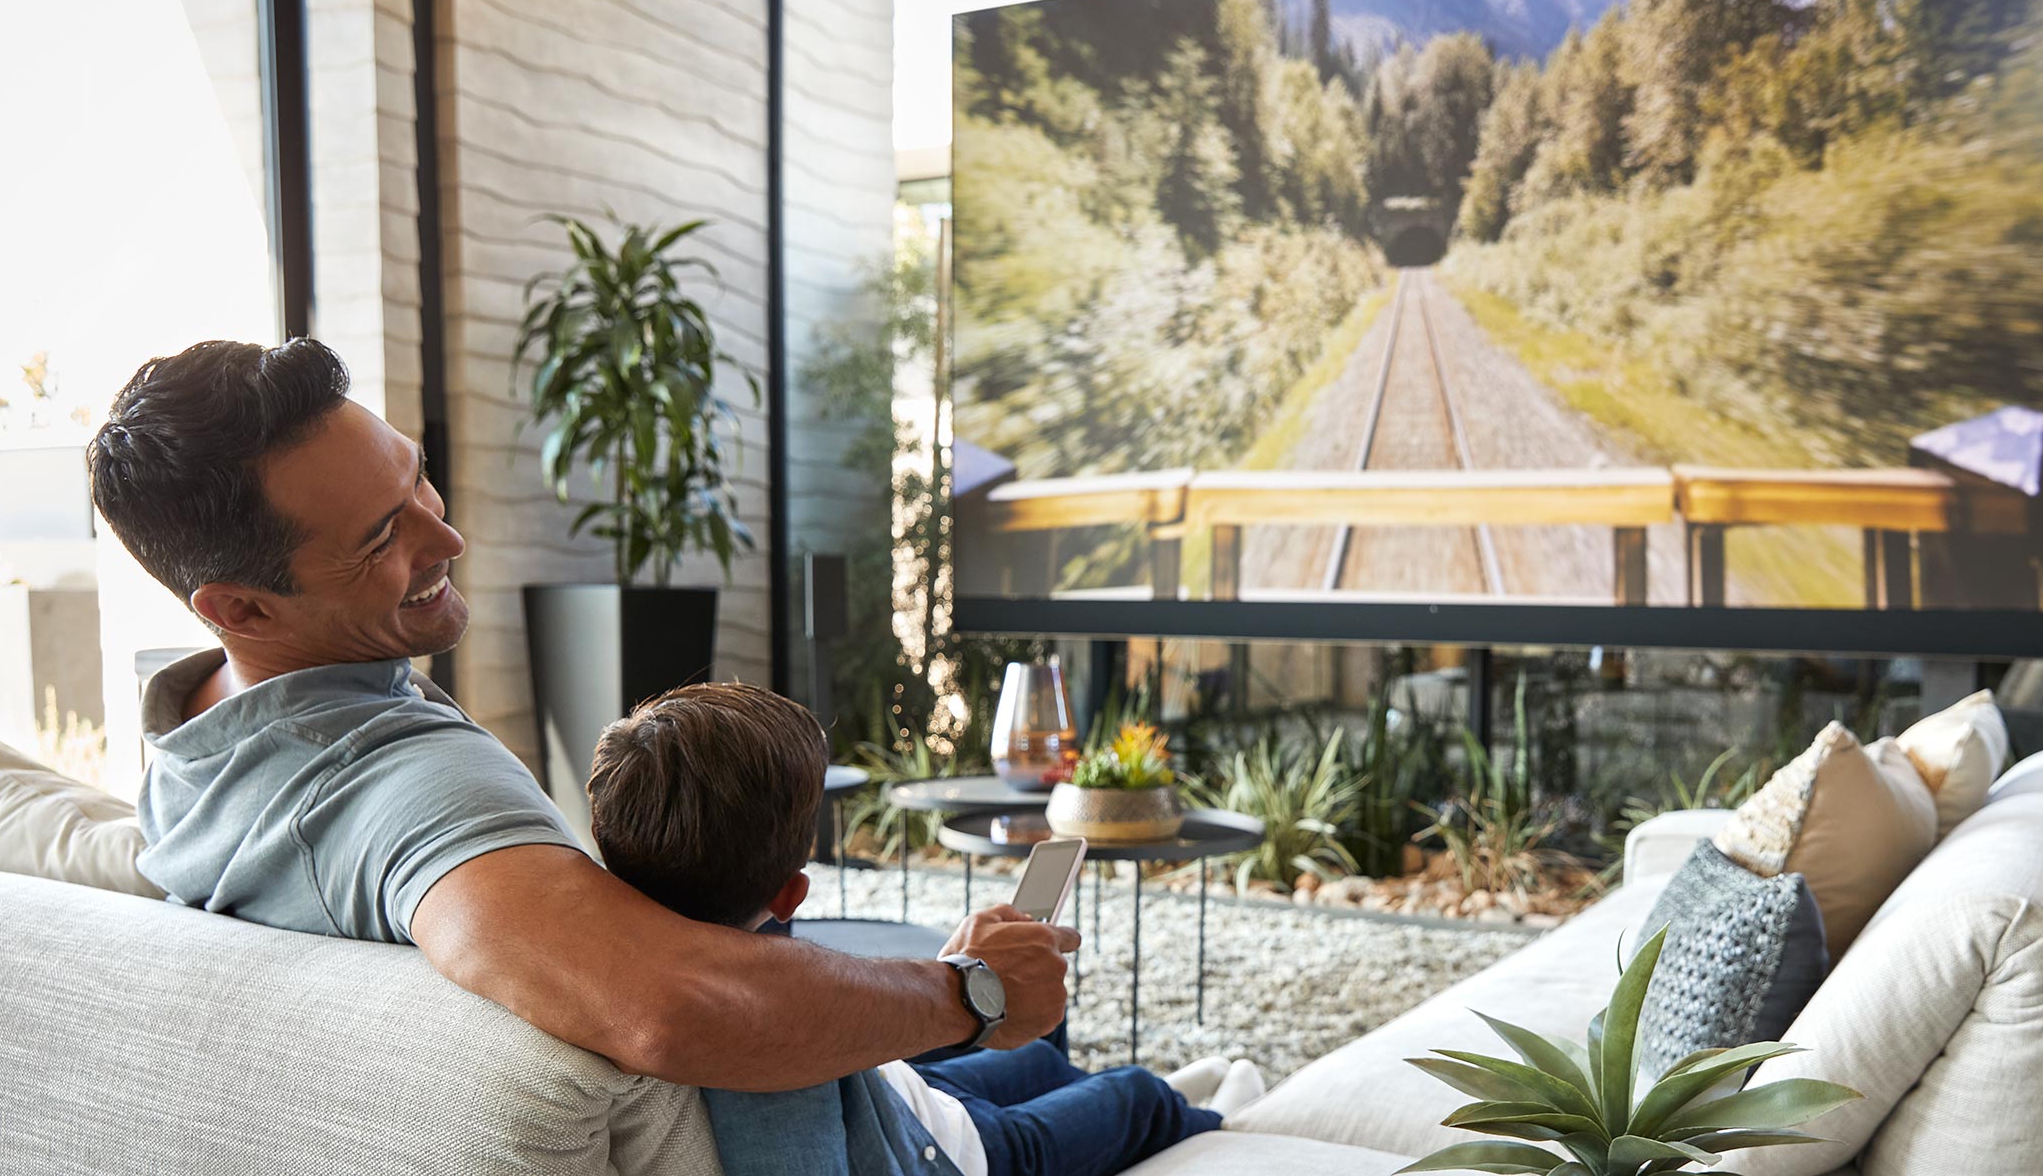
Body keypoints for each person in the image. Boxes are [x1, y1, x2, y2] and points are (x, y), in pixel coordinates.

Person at [88, 338, 1078, 1170]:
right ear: (241, 607)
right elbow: (668, 1004)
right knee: (1093, 1073)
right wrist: (970, 992)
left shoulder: (192, 733)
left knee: (1026, 1056)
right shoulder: (406, 790)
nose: (448, 535)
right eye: (383, 536)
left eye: (416, 475)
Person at [585, 682, 1259, 1176]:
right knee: (1135, 1095)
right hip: (954, 1151)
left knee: (1038, 1057)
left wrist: (946, 982)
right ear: (792, 895)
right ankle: (1228, 1119)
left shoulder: (599, 957)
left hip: (895, 1089)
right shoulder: (763, 1033)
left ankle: (1118, 1091)